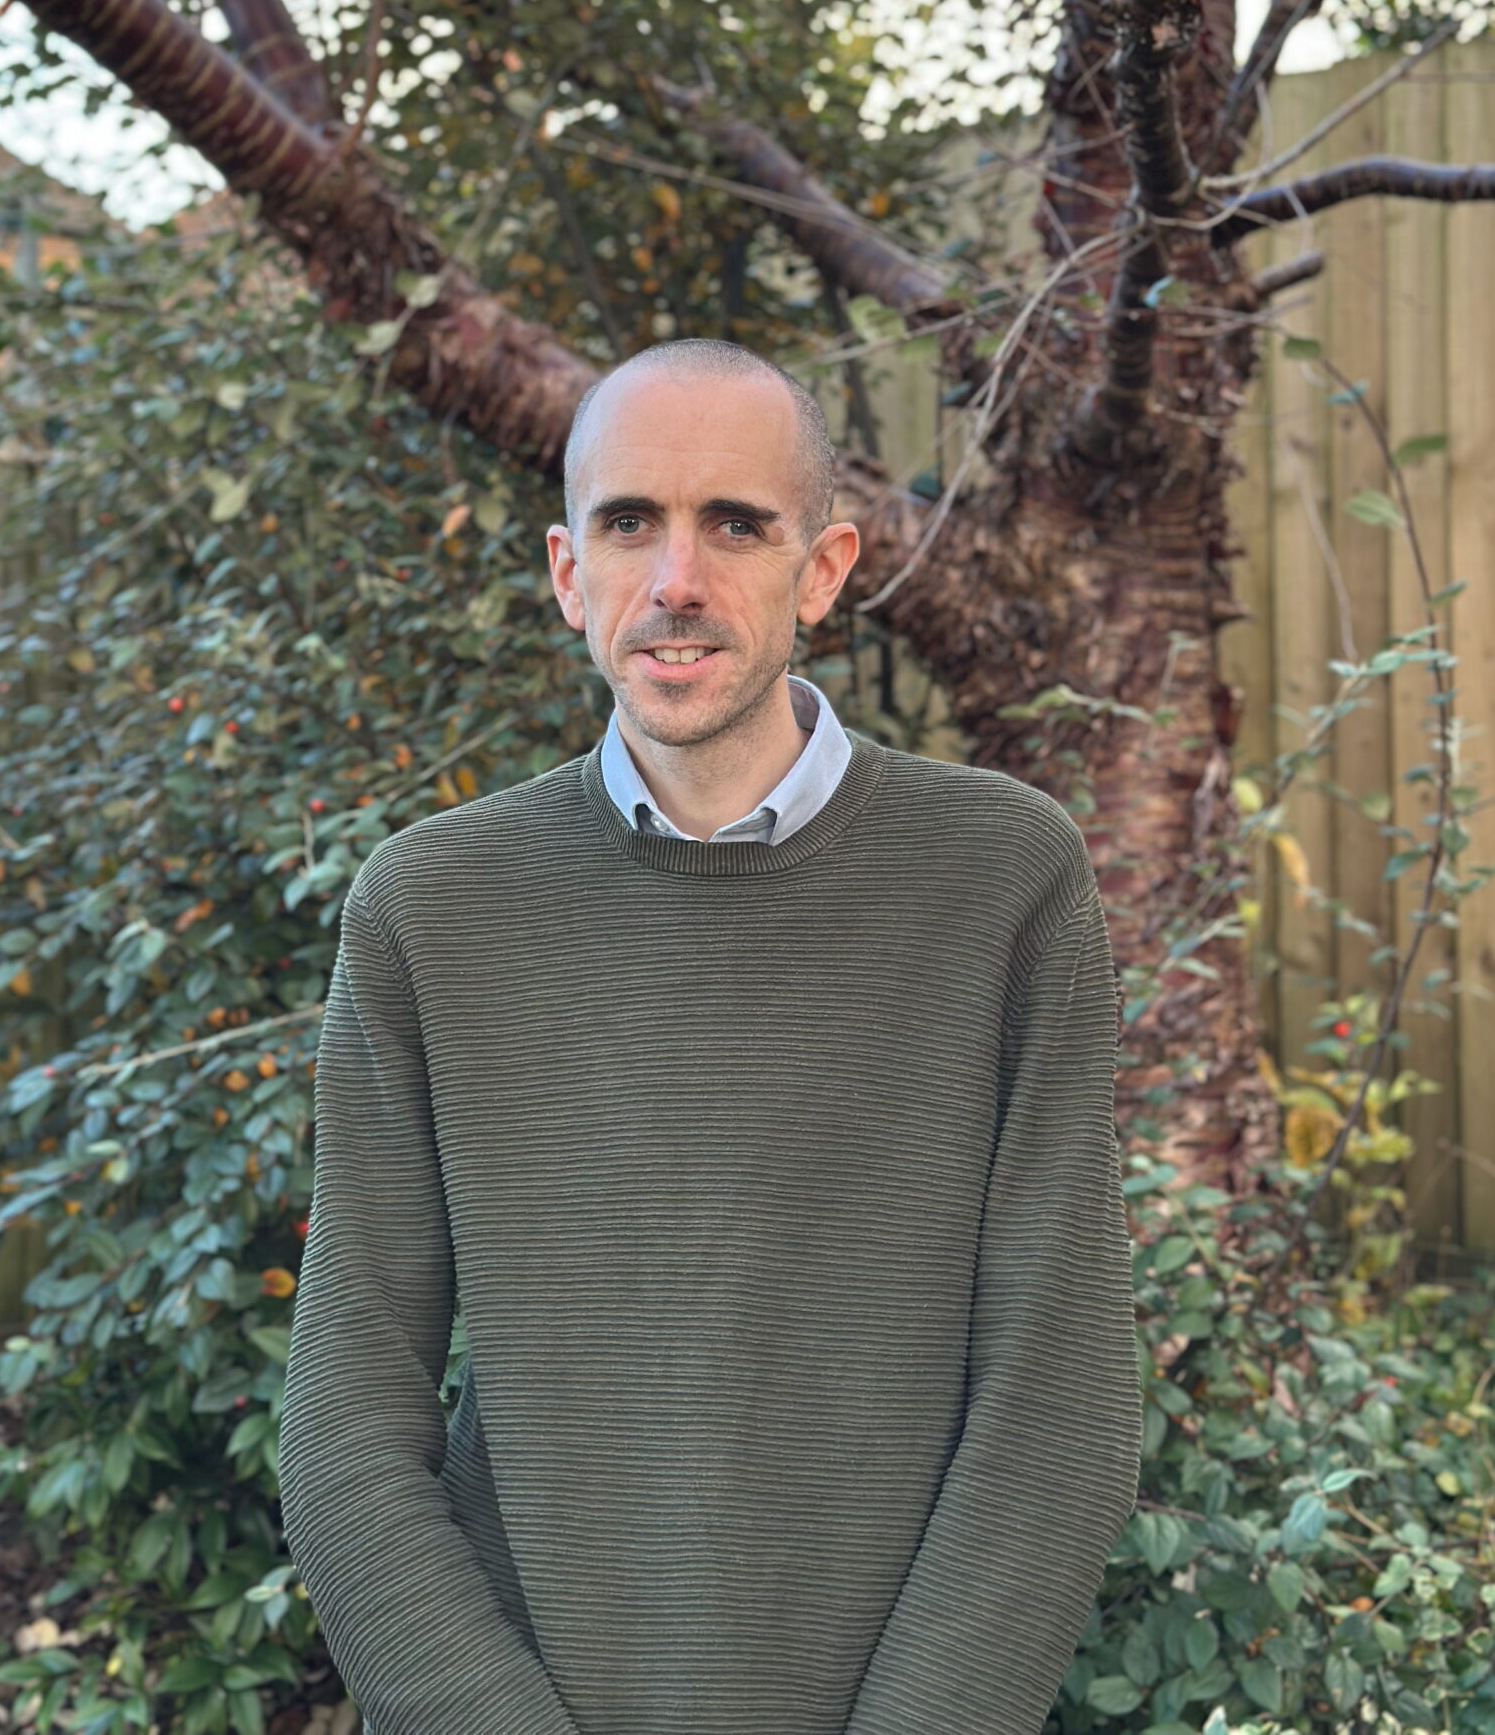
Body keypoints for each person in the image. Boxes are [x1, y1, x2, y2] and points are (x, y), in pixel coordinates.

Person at [279, 337, 1141, 1735]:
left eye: (735, 524)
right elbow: (345, 1432)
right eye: (631, 523)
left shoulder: (1001, 882)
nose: (677, 579)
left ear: (822, 569)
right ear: (571, 574)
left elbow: (1061, 1407)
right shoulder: (433, 908)